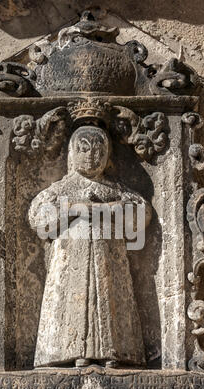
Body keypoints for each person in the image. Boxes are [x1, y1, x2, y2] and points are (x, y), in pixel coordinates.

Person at [29, 125, 151, 368]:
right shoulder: (61, 189)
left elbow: (142, 213)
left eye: (98, 150)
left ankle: (113, 352)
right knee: (72, 301)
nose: (91, 156)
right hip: (70, 262)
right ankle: (72, 352)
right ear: (73, 153)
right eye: (84, 149)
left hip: (109, 260)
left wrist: (101, 209)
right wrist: (74, 209)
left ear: (106, 155)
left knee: (109, 299)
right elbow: (37, 218)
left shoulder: (114, 189)